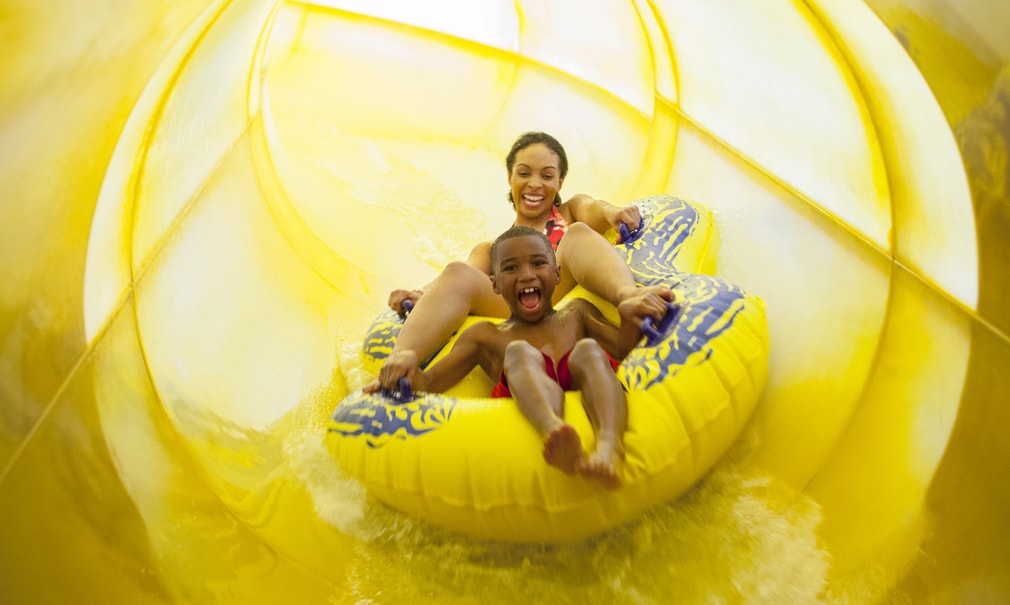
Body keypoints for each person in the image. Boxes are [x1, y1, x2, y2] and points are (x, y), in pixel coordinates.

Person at [367, 226, 670, 487]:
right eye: (510, 268)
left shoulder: (577, 313)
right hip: (524, 390)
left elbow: (623, 353)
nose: (526, 275)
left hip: (579, 377)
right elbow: (431, 383)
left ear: (557, 274)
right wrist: (409, 369)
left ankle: (608, 446)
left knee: (589, 351)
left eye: (538, 263)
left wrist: (629, 319)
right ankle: (554, 430)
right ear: (495, 284)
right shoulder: (486, 335)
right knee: (519, 353)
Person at [384, 131, 673, 373]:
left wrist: (614, 212)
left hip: (562, 286)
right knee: (458, 271)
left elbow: (594, 208)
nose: (535, 183)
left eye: (547, 176)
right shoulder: (494, 249)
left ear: (559, 183)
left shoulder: (569, 212)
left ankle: (628, 296)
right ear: (510, 177)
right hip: (517, 307)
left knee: (577, 233)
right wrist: (419, 294)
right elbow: (460, 276)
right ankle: (402, 360)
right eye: (524, 173)